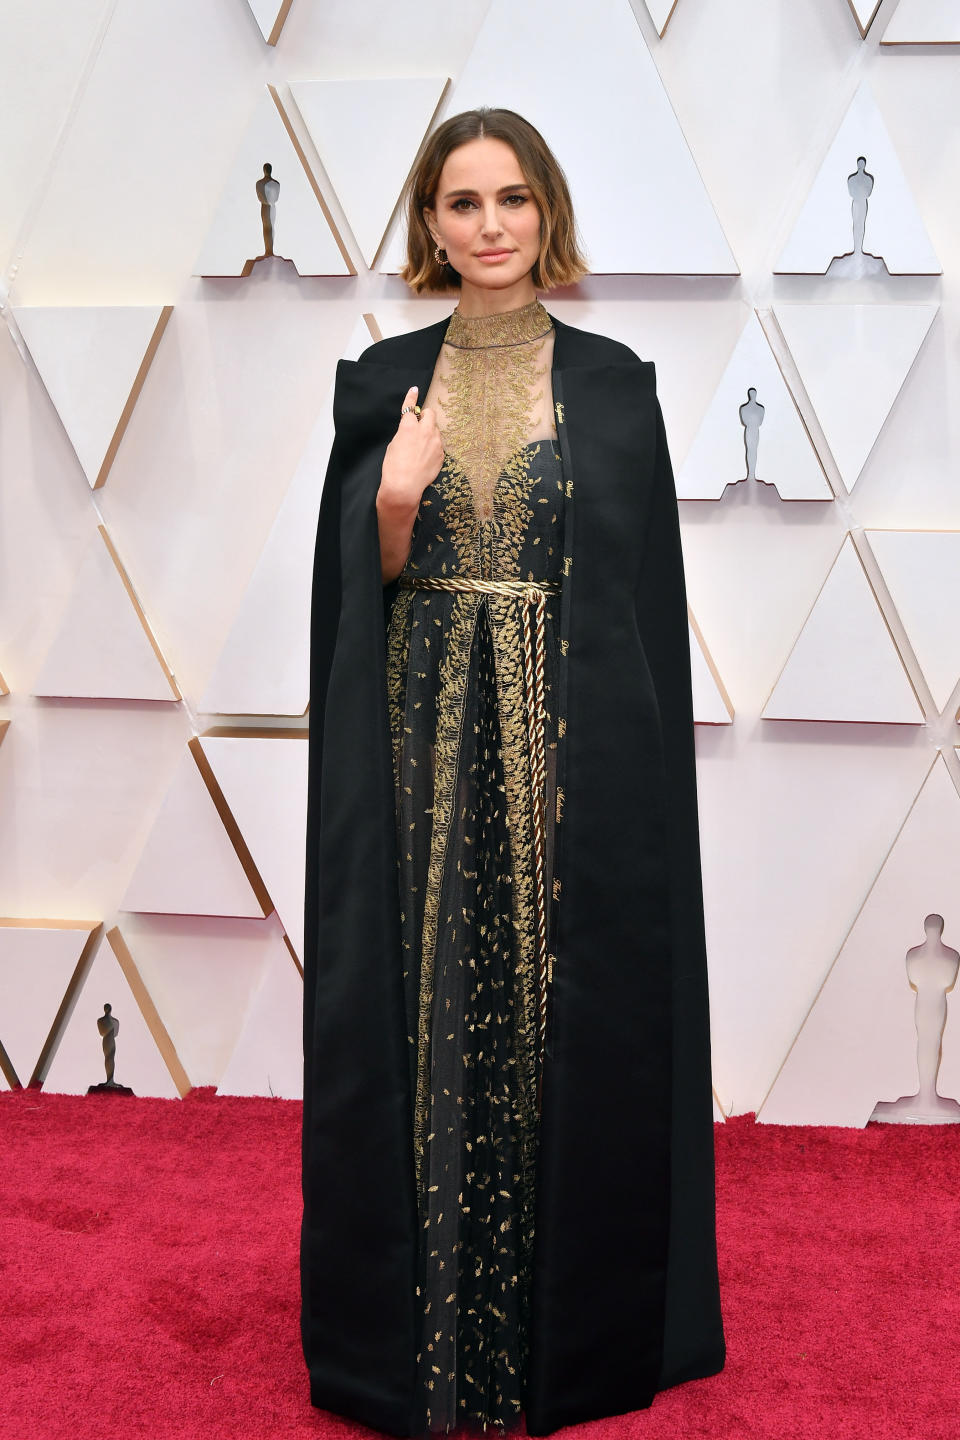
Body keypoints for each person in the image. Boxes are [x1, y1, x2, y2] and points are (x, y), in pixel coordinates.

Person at [300, 107, 725, 1439]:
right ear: (428, 224)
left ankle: (570, 1318)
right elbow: (345, 608)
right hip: (423, 744)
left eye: (512, 199)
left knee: (558, 1006)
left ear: (547, 212)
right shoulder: (383, 386)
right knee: (427, 1006)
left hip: (565, 753)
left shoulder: (612, 386)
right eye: (462, 202)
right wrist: (392, 501)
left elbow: (638, 613)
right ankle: (416, 1313)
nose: (490, 226)